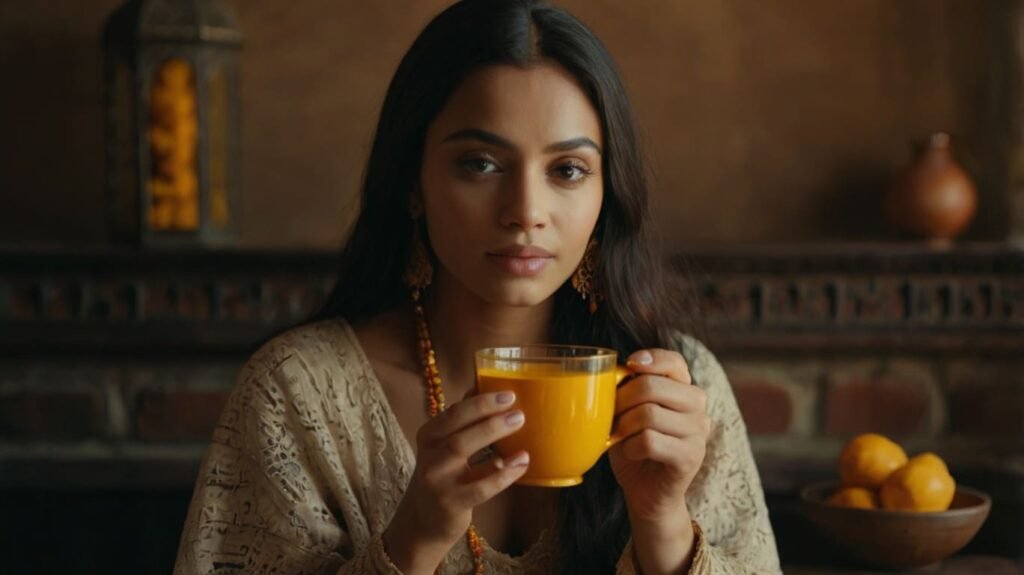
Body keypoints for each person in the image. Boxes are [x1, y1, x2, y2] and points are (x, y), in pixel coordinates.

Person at [173, 0, 780, 573]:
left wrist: (663, 522)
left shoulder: (678, 391)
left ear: (606, 194)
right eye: (481, 164)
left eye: (567, 170)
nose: (525, 211)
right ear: (413, 181)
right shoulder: (295, 394)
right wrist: (412, 539)